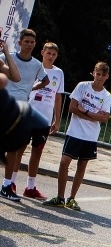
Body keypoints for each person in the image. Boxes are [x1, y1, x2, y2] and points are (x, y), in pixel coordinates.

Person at [42, 62, 111, 211]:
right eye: (97, 74)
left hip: (90, 136)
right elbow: (73, 107)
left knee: (82, 166)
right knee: (64, 162)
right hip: (75, 132)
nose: (99, 77)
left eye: (103, 75)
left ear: (107, 77)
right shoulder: (82, 86)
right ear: (93, 73)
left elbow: (104, 118)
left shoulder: (106, 96)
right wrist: (94, 115)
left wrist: (85, 112)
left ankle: (72, 198)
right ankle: (60, 197)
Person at [0, 29, 49, 201]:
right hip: (3, 105)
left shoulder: (36, 64)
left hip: (19, 110)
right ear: (19, 42)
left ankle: (7, 185)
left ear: (35, 45)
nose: (29, 44)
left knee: (12, 148)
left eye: (32, 42)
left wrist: (32, 89)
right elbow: (12, 76)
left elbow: (45, 80)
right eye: (26, 41)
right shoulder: (6, 57)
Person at [19, 42, 64, 200]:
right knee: (19, 148)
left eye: (54, 54)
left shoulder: (59, 73)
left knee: (37, 152)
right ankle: (9, 182)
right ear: (42, 52)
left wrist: (57, 120)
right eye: (48, 53)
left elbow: (58, 97)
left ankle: (30, 187)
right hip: (28, 114)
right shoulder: (34, 67)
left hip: (45, 119)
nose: (51, 56)